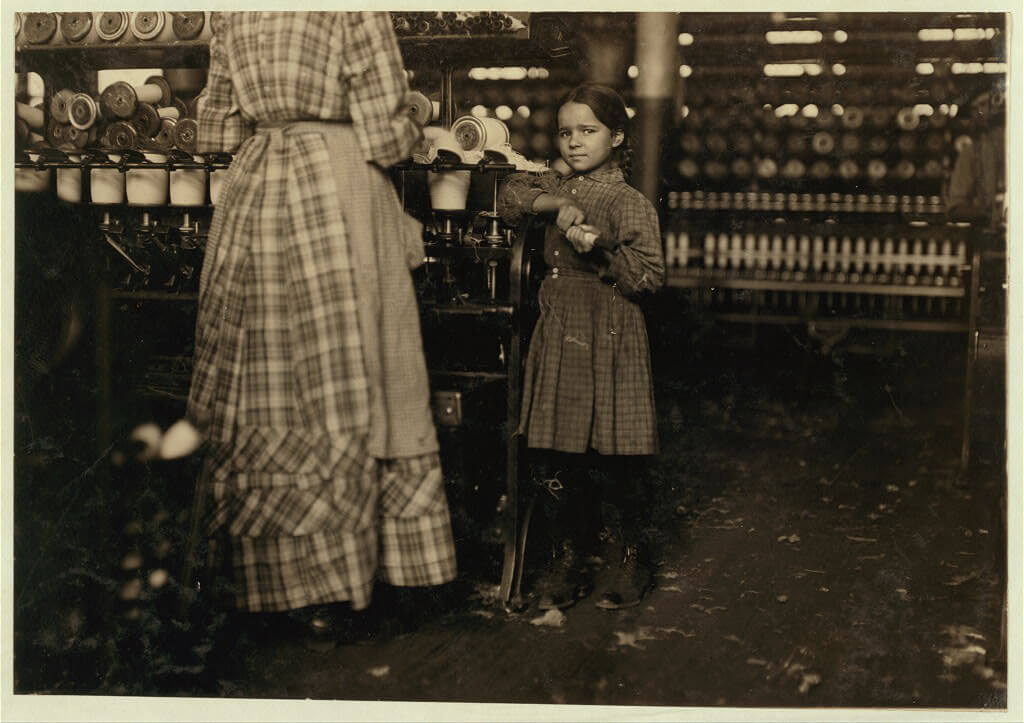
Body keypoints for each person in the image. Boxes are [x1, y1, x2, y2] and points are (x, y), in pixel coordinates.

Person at [187, 11, 456, 646]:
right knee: (352, 368)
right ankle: (336, 583)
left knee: (257, 370)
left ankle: (260, 579)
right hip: (338, 186)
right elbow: (387, 134)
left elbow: (215, 128)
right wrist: (414, 120)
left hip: (256, 187)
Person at [498, 83, 664, 611]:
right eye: (566, 132)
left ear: (616, 137)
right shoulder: (555, 184)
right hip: (561, 325)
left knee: (619, 452)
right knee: (554, 447)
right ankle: (568, 560)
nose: (574, 141)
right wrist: (557, 204)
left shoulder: (629, 202)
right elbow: (509, 196)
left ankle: (633, 558)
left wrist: (603, 251)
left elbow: (648, 278)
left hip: (610, 327)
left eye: (588, 131)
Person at [946, 77, 1006, 227]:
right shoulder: (971, 152)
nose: (982, 112)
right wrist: (988, 215)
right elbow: (955, 208)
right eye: (976, 107)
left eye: (986, 104)